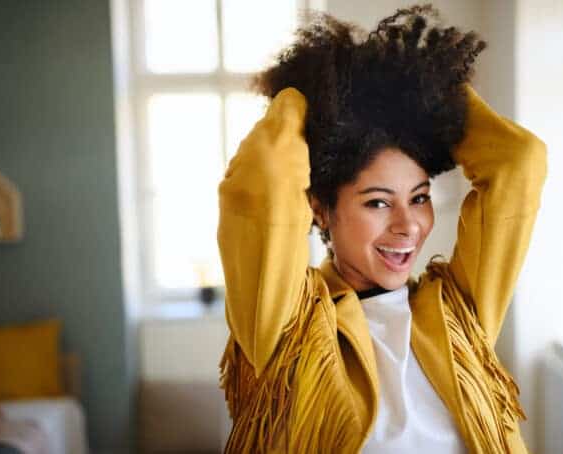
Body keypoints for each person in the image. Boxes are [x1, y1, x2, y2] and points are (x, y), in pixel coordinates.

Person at [217, 5, 546, 453]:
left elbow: (519, 163)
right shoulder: (288, 328)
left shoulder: (458, 313)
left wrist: (429, 99)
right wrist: (302, 96)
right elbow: (269, 175)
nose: (408, 225)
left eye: (419, 197)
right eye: (377, 202)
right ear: (319, 209)